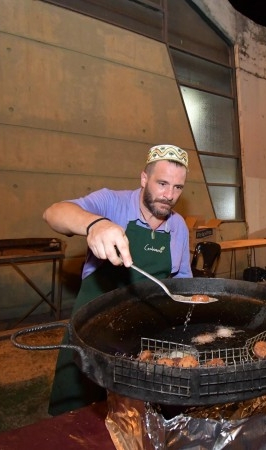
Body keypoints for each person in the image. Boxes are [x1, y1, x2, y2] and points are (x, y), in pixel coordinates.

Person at [43, 144, 193, 416]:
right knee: (78, 417)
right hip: (93, 332)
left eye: (178, 187)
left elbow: (182, 281)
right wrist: (95, 224)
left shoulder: (178, 226)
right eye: (162, 183)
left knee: (137, 416)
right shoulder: (112, 203)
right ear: (144, 178)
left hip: (145, 336)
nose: (169, 195)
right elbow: (53, 213)